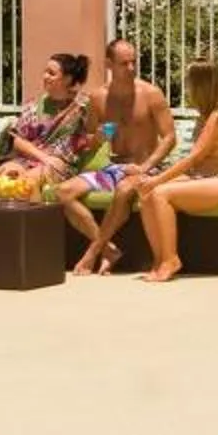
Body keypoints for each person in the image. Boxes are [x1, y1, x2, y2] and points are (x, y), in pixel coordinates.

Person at [65, 37, 176, 275]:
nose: (131, 68)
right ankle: (108, 250)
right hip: (114, 168)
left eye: (134, 62)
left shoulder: (151, 94)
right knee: (64, 193)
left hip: (149, 168)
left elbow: (169, 138)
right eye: (124, 63)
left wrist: (144, 167)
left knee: (125, 190)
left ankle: (92, 253)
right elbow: (88, 141)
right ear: (109, 64)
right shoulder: (98, 98)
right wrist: (99, 138)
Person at [131, 60, 218, 284]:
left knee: (161, 193)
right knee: (146, 194)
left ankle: (171, 260)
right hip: (201, 176)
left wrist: (157, 180)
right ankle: (159, 260)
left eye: (190, 84)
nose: (187, 89)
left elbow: (194, 157)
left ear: (202, 86)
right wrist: (150, 181)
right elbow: (195, 163)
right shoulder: (205, 114)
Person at [0, 51, 96, 199]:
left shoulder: (82, 107)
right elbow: (18, 141)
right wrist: (43, 158)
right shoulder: (33, 106)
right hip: (31, 159)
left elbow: (93, 131)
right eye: (45, 72)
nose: (45, 76)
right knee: (0, 179)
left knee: (25, 183)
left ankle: (34, 221)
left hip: (60, 165)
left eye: (51, 73)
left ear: (67, 79)